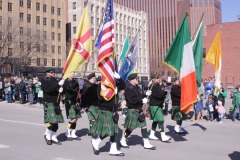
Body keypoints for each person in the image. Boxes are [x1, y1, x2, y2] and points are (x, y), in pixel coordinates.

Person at [90, 72, 125, 156]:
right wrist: (113, 92)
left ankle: (112, 148)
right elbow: (101, 98)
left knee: (114, 131)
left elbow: (123, 86)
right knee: (110, 130)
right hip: (105, 110)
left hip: (113, 110)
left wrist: (119, 78)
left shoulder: (113, 85)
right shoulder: (100, 86)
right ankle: (97, 141)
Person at [120, 73, 156, 150]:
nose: (137, 79)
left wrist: (145, 94)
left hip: (138, 109)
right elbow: (132, 100)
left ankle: (146, 143)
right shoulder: (128, 88)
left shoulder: (136, 87)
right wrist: (142, 101)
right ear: (131, 80)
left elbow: (139, 95)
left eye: (137, 78)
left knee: (144, 126)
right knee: (131, 128)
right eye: (136, 78)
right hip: (132, 109)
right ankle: (123, 139)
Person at [41, 68, 64, 145]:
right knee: (51, 121)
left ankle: (53, 136)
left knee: (56, 121)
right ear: (47, 73)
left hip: (56, 102)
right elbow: (48, 90)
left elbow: (56, 90)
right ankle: (47, 135)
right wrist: (58, 85)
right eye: (51, 72)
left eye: (53, 72)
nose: (53, 73)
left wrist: (60, 91)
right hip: (49, 102)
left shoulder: (55, 80)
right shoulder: (44, 80)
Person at [148, 74, 171, 142]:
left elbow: (160, 94)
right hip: (155, 105)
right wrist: (165, 92)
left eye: (158, 78)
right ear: (153, 79)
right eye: (157, 78)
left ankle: (152, 134)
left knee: (155, 121)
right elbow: (159, 95)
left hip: (158, 105)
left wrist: (164, 93)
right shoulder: (153, 86)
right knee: (161, 120)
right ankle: (163, 136)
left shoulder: (157, 86)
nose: (158, 79)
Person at [62, 73, 81, 141]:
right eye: (71, 74)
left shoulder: (75, 82)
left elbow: (78, 91)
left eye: (73, 74)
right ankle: (67, 132)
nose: (73, 75)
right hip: (69, 101)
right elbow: (70, 89)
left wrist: (79, 89)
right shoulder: (65, 82)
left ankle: (73, 133)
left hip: (75, 101)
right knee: (73, 119)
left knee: (76, 118)